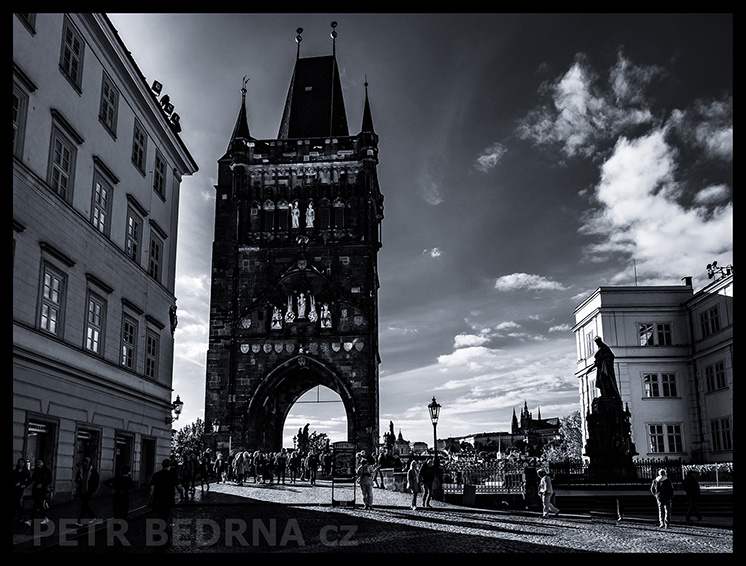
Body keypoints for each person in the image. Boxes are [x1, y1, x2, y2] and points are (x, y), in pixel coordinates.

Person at [149, 458, 183, 530]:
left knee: (160, 514)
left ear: (162, 465)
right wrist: (181, 493)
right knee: (167, 513)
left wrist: (150, 499)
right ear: (169, 466)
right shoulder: (172, 475)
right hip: (169, 498)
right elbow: (179, 487)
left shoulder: (156, 475)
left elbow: (152, 488)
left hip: (158, 498)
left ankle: (161, 527)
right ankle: (164, 527)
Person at [26, 458, 53, 526]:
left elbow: (49, 479)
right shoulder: (36, 470)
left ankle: (30, 520)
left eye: (40, 462)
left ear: (43, 463)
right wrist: (25, 484)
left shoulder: (46, 470)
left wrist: (43, 484)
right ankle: (44, 518)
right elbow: (33, 479)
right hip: (36, 489)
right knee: (38, 505)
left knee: (36, 504)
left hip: (42, 489)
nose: (38, 463)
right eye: (37, 462)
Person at [74, 456, 100, 525]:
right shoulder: (81, 470)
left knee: (84, 505)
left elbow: (96, 481)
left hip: (89, 490)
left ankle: (80, 521)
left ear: (89, 463)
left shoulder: (93, 471)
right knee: (85, 505)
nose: (85, 464)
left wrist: (93, 489)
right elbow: (76, 479)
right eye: (84, 462)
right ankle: (92, 516)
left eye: (86, 462)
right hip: (81, 490)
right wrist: (78, 480)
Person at [13, 458, 31, 523]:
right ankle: (20, 515)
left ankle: (22, 515)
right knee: (15, 501)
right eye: (19, 462)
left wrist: (23, 484)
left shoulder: (26, 471)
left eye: (22, 462)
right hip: (14, 487)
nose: (21, 464)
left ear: (24, 464)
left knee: (16, 501)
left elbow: (29, 480)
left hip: (20, 488)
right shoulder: (15, 471)